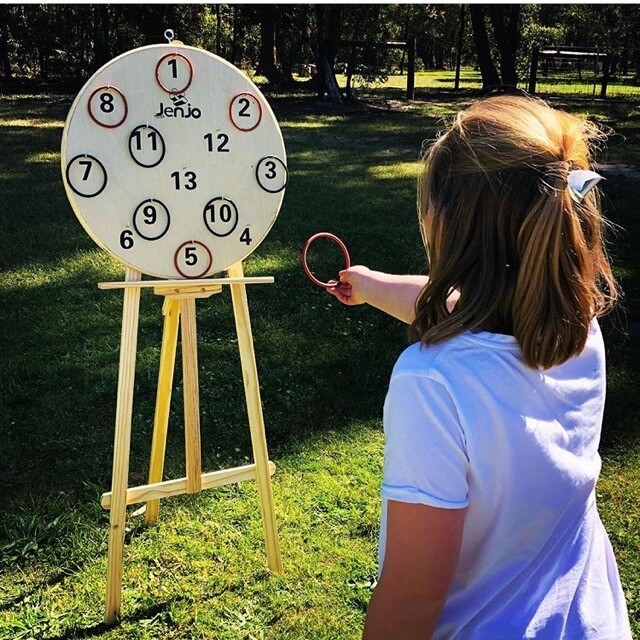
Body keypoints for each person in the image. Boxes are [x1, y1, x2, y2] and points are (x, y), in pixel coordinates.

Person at [327, 95, 632, 639]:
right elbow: (463, 305)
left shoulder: (434, 383)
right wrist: (371, 287)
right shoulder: (579, 330)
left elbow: (412, 596)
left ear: (445, 222)